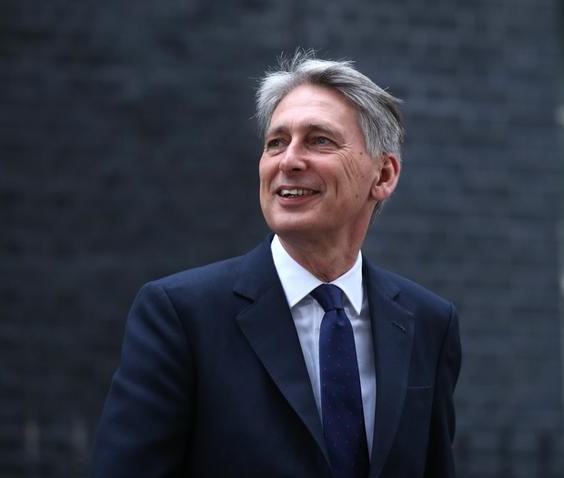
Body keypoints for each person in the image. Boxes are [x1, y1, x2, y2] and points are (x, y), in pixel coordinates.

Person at [92, 50, 461, 478]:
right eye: (276, 143)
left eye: (319, 140)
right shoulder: (181, 314)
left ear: (383, 176)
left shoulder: (428, 322)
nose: (288, 161)